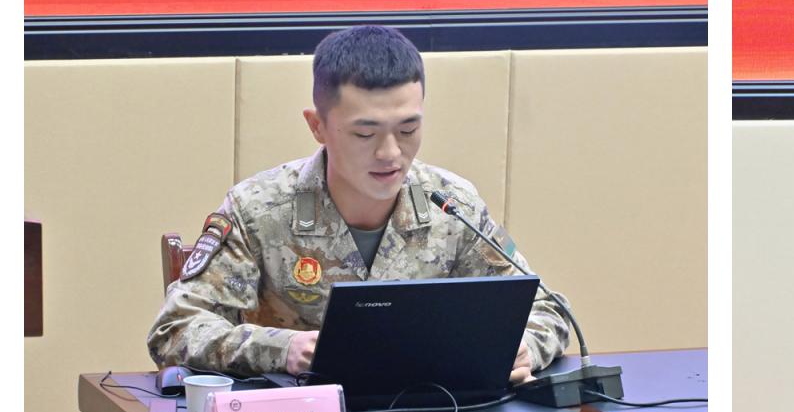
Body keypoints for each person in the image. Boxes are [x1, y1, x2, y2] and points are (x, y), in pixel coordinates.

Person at [147, 24, 569, 379]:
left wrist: (525, 347)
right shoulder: (259, 211)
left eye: (408, 130)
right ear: (318, 126)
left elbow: (548, 309)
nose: (390, 153)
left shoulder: (452, 206)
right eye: (365, 134)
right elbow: (176, 329)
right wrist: (282, 348)